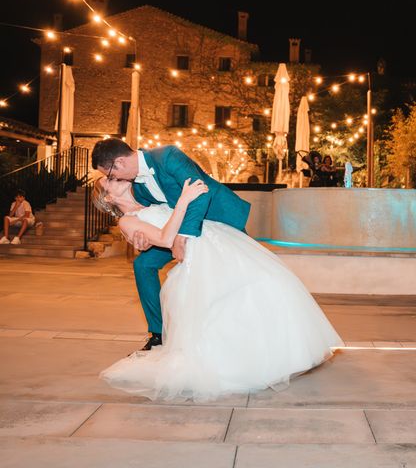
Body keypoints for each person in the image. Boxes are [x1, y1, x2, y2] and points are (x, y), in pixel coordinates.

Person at [92, 176, 343, 401]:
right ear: (109, 198)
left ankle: (285, 354)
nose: (115, 178)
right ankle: (242, 363)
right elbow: (167, 239)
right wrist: (183, 201)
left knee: (269, 282)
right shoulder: (127, 221)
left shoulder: (147, 200)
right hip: (199, 257)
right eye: (110, 182)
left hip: (217, 240)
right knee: (225, 305)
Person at [91, 139, 251, 351]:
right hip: (174, 231)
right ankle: (158, 333)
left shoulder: (166, 156)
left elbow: (200, 191)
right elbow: (148, 217)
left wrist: (181, 237)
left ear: (119, 163)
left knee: (242, 272)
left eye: (111, 175)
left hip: (214, 218)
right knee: (143, 264)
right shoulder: (134, 186)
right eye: (110, 179)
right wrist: (141, 239)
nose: (114, 178)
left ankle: (242, 324)